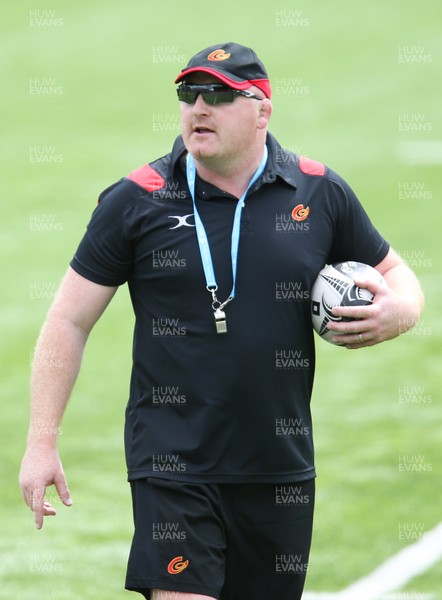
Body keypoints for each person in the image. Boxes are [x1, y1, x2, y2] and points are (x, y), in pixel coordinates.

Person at [19, 42, 424, 600]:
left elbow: (399, 274)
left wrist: (399, 311)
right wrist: (42, 442)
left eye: (218, 95)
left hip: (278, 466)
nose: (198, 108)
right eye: (188, 94)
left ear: (262, 111)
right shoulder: (138, 199)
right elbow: (68, 319)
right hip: (172, 463)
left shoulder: (316, 191)